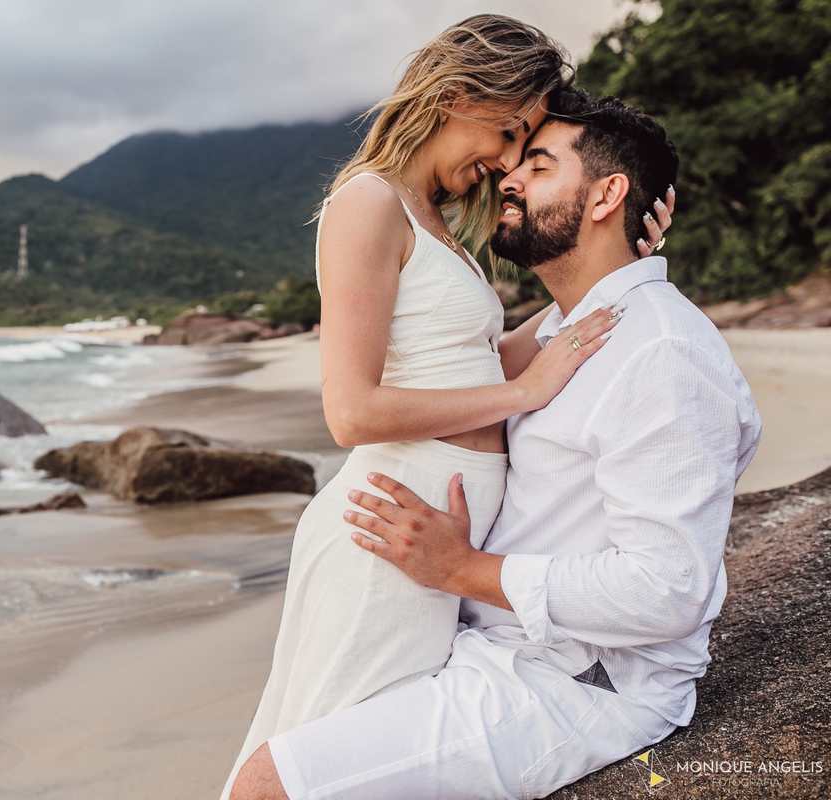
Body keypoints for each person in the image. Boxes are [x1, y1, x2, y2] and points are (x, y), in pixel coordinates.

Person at [230, 91, 761, 800]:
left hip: (580, 679)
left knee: (271, 782)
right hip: (490, 640)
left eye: (538, 165)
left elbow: (668, 593)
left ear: (606, 195)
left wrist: (465, 570)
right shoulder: (575, 330)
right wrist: (626, 261)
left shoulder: (662, 353)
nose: (508, 176)